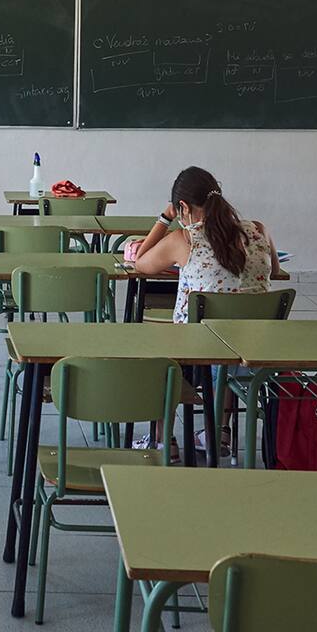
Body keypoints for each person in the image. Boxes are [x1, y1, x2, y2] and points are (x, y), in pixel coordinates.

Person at [129, 165, 280, 456]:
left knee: (158, 344)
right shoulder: (258, 230)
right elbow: (275, 268)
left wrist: (165, 219)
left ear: (182, 207)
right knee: (227, 336)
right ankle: (218, 434)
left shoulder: (185, 240)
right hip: (252, 348)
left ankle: (163, 441)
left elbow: (141, 262)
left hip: (195, 349)